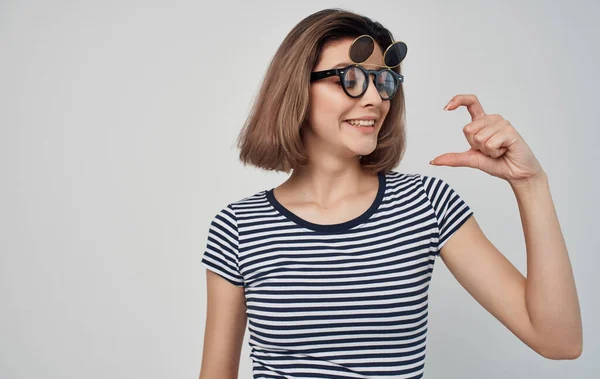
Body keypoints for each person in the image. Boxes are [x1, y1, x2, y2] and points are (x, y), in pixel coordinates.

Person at [199, 8, 582, 379]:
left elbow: (558, 340)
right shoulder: (238, 227)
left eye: (383, 81)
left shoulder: (426, 205)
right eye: (350, 78)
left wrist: (530, 183)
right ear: (296, 86)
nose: (375, 99)